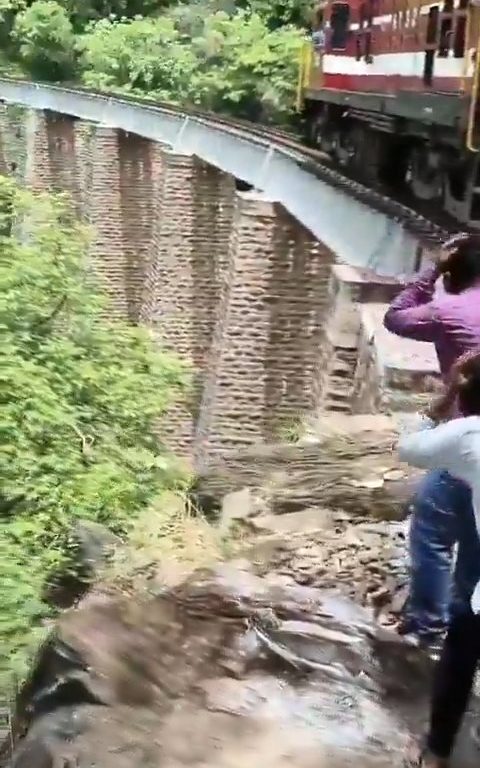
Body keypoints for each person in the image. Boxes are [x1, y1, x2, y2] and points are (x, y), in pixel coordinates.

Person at [384, 234, 480, 643]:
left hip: (467, 439)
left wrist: (433, 269)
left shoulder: (449, 308)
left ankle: (430, 628)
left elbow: (396, 317)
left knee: (433, 531)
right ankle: (465, 624)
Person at [398, 350, 480, 768]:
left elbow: (409, 448)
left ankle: (437, 753)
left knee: (464, 642)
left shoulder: (468, 434)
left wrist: (443, 397)